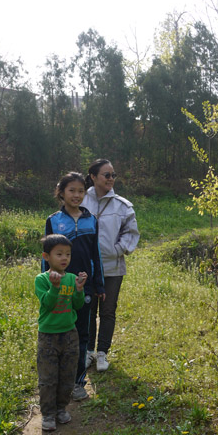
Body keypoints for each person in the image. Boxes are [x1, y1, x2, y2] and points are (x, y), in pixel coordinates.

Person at [43, 172, 105, 401]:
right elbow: (47, 256)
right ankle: (57, 379)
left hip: (83, 287)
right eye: (72, 190)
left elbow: (95, 255)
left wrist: (98, 284)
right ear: (61, 192)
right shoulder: (53, 220)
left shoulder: (92, 220)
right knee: (59, 333)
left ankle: (78, 382)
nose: (77, 195)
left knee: (82, 334)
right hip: (60, 286)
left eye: (81, 191)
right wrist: (46, 283)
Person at [83, 159, 140, 371]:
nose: (111, 179)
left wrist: (117, 250)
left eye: (113, 175)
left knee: (107, 311)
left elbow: (130, 233)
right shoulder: (81, 200)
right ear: (93, 177)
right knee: (88, 309)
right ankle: (88, 352)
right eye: (106, 175)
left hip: (112, 268)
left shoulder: (122, 205)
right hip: (85, 267)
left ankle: (102, 353)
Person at [35, 234, 88, 431]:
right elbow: (47, 305)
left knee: (67, 374)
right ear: (46, 256)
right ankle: (48, 413)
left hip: (69, 333)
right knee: (48, 377)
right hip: (48, 335)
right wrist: (55, 288)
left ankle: (61, 409)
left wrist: (80, 290)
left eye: (68, 254)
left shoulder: (72, 278)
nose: (64, 258)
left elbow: (77, 305)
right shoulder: (41, 280)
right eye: (59, 254)